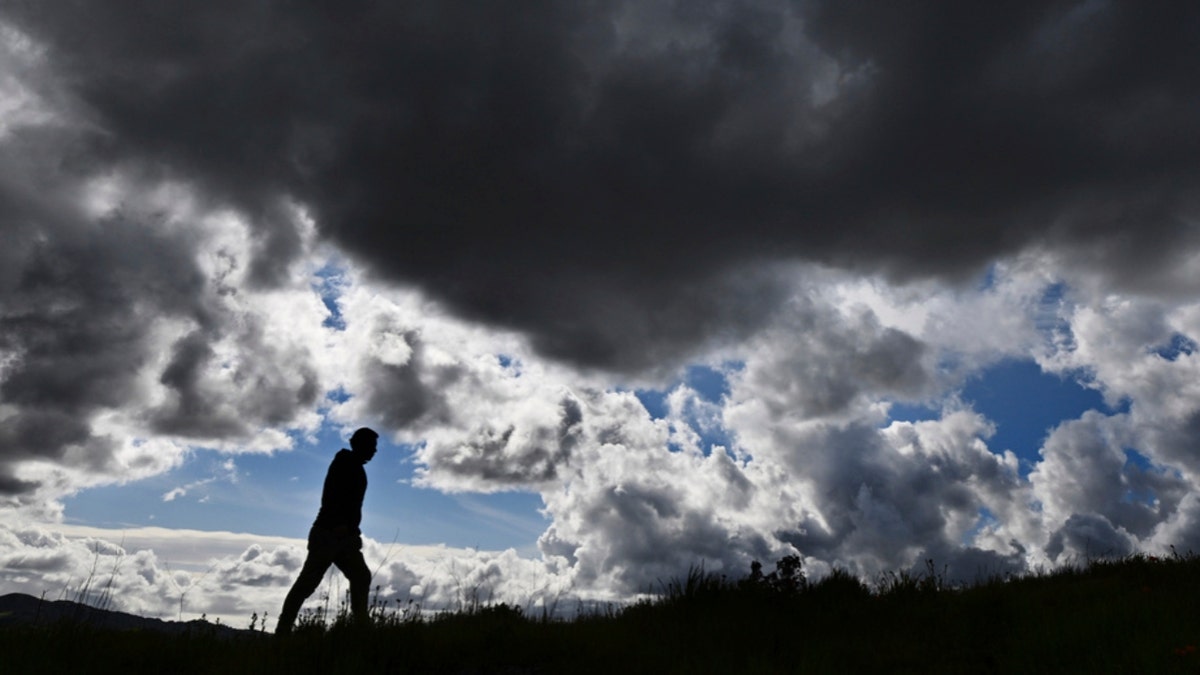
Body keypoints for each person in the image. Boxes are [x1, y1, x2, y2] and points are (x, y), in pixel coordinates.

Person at [276, 427, 379, 634]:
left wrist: (352, 532)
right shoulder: (345, 464)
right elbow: (333, 497)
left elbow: (348, 504)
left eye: (375, 447)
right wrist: (341, 526)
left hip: (341, 535)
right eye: (371, 446)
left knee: (360, 576)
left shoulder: (353, 466)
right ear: (360, 445)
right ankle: (283, 630)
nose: (374, 451)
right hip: (329, 534)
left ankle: (361, 627)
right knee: (307, 584)